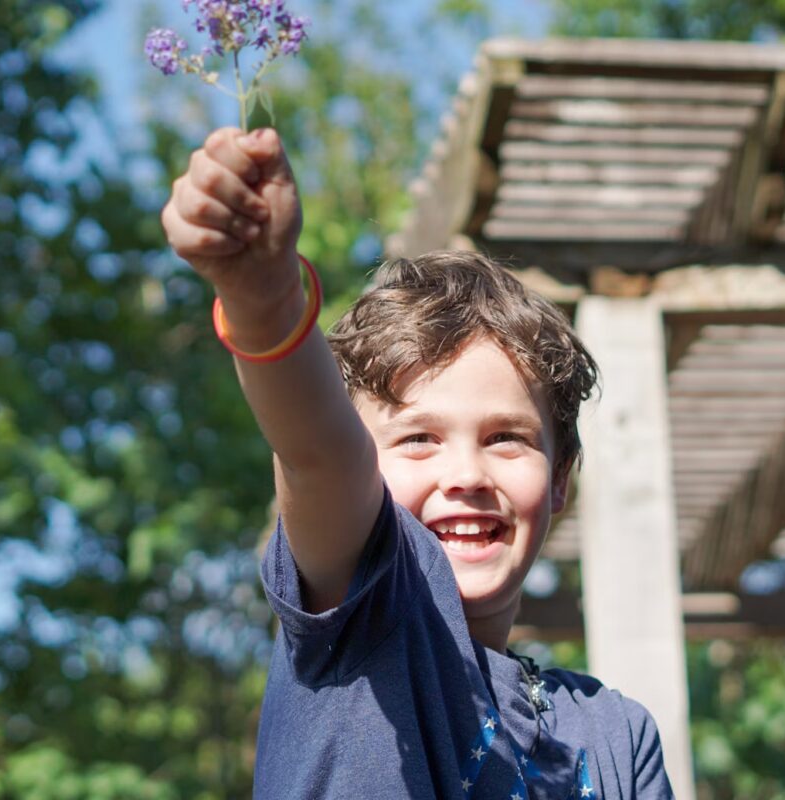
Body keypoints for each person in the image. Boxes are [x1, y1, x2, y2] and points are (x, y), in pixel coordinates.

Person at [161, 127, 675, 799]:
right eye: (418, 440)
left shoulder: (616, 736)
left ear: (558, 482)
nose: (466, 474)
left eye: (506, 439)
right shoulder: (363, 614)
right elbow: (319, 453)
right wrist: (262, 296)